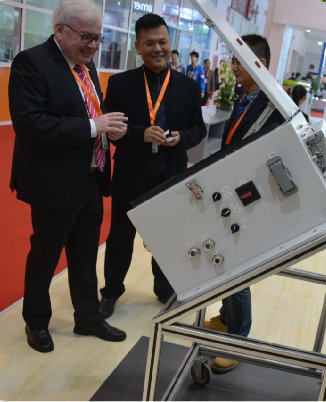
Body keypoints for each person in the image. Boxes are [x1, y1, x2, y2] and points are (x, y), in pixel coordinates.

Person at [8, 0, 129, 353]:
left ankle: (88, 317)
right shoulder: (31, 63)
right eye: (86, 37)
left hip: (91, 176)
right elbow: (28, 122)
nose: (93, 46)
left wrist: (110, 131)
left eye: (98, 38)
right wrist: (93, 126)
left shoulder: (86, 67)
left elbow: (91, 111)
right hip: (54, 180)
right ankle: (36, 322)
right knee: (45, 255)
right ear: (59, 30)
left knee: (85, 253)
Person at [98, 14, 207, 317]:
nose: (157, 49)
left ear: (171, 43)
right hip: (130, 174)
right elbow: (111, 127)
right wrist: (140, 134)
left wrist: (181, 138)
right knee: (120, 238)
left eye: (162, 42)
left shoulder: (188, 86)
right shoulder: (120, 84)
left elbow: (198, 129)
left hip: (170, 175)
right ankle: (111, 292)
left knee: (168, 238)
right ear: (138, 47)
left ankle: (164, 289)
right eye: (149, 43)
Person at [204, 34, 285, 375]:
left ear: (259, 64)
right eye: (233, 59)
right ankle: (227, 319)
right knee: (227, 257)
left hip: (251, 195)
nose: (233, 66)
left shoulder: (274, 105)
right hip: (232, 189)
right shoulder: (245, 98)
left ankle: (238, 339)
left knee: (238, 267)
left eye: (239, 60)